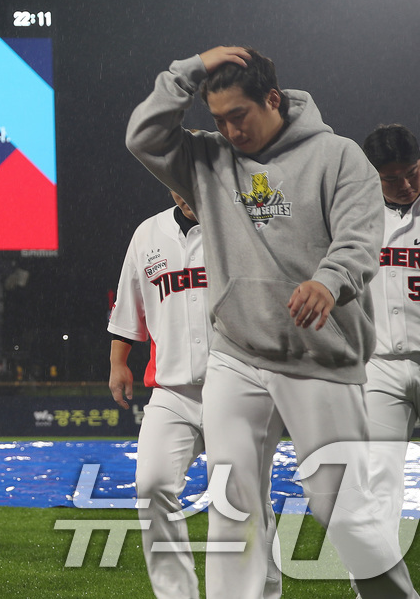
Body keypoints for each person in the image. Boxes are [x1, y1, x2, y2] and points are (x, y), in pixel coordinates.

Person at [125, 47, 417, 597]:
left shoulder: (338, 156)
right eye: (218, 120)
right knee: (231, 510)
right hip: (236, 354)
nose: (230, 130)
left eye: (240, 115)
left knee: (345, 514)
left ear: (273, 100)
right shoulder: (206, 162)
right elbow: (143, 136)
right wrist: (190, 69)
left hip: (320, 359)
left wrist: (327, 281)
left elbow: (360, 241)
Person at [107, 193, 281, 598]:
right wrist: (119, 361)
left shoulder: (248, 224)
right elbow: (128, 309)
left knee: (242, 501)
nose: (185, 192)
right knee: (151, 485)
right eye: (177, 184)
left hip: (241, 387)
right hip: (171, 390)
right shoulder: (147, 233)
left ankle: (261, 593)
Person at [360, 125, 420, 547]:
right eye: (391, 177)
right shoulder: (354, 214)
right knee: (377, 480)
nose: (404, 184)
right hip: (379, 364)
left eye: (411, 172)